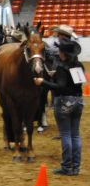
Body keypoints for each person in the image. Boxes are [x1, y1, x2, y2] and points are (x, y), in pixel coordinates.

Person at [34, 37, 84, 176]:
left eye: (60, 51)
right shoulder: (79, 65)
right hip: (78, 101)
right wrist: (57, 76)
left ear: (64, 53)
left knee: (66, 134)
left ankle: (67, 167)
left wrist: (43, 81)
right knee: (75, 135)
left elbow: (61, 87)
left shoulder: (62, 67)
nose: (58, 52)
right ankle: (76, 167)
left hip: (64, 102)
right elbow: (78, 83)